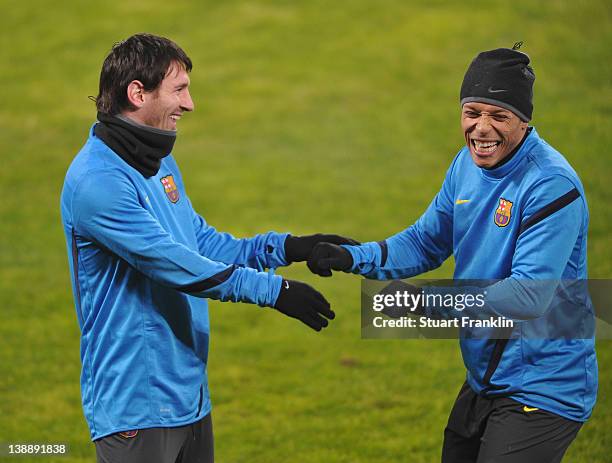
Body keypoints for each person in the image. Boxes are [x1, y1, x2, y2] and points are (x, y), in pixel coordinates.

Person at [60, 33, 356, 463]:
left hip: (189, 394)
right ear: (137, 93)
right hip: (136, 405)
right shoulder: (97, 182)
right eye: (178, 90)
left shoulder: (155, 159)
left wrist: (291, 247)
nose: (190, 104)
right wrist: (276, 292)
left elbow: (198, 241)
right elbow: (175, 263)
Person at [308, 45, 597, 462]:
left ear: (524, 120)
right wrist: (354, 257)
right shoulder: (466, 165)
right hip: (487, 378)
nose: (482, 128)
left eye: (499, 116)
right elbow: (428, 241)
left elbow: (527, 296)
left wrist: (428, 303)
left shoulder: (550, 185)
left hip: (543, 384)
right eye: (472, 112)